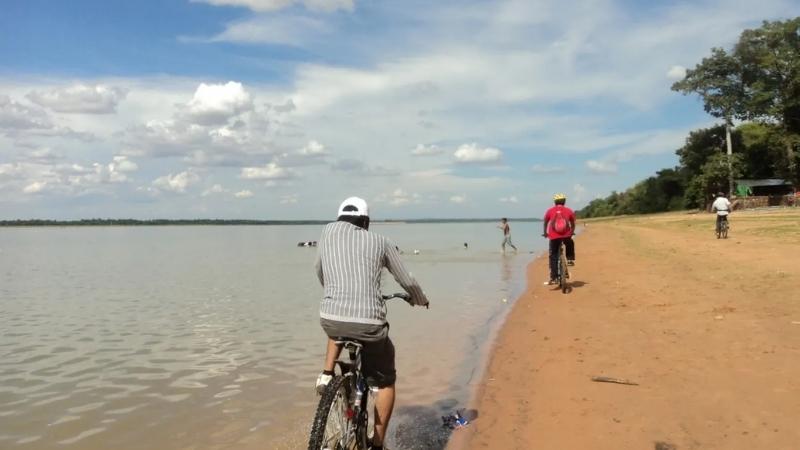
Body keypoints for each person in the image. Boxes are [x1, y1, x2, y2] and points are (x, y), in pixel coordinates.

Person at [314, 196, 429, 450]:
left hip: (331, 317)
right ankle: (377, 445)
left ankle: (326, 374)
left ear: (339, 218)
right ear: (365, 221)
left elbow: (320, 270)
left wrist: (336, 290)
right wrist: (419, 299)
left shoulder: (326, 232)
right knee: (385, 380)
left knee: (337, 326)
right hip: (369, 324)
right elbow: (406, 279)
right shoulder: (380, 242)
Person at [542, 193, 576, 284]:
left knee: (553, 255)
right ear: (564, 201)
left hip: (553, 236)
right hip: (566, 235)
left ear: (555, 202)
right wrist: (572, 231)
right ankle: (570, 259)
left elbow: (545, 222)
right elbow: (573, 223)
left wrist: (545, 233)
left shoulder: (550, 211)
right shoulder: (569, 210)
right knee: (570, 243)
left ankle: (554, 277)